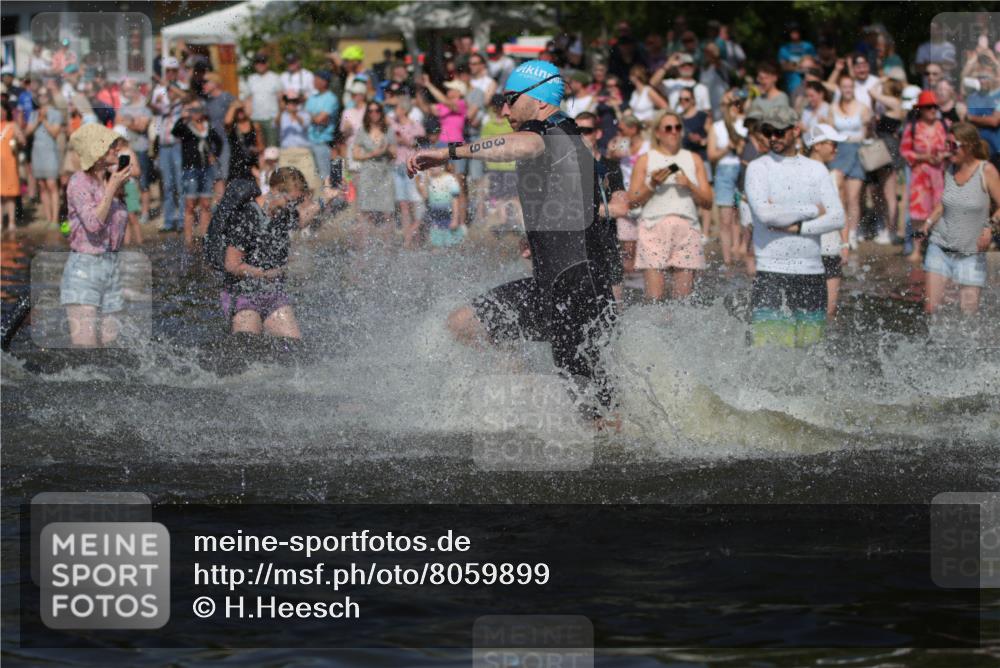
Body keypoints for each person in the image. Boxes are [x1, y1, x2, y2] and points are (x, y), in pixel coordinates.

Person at [407, 60, 619, 423]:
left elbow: (523, 146)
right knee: (464, 324)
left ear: (538, 100)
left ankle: (623, 457)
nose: (503, 109)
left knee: (594, 411)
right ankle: (524, 396)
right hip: (552, 286)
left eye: (510, 99)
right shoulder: (561, 135)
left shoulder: (553, 130)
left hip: (578, 291)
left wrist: (447, 152)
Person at [744, 106, 844, 347]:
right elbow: (766, 215)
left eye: (778, 132)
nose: (773, 138)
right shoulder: (758, 168)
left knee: (810, 355)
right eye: (768, 132)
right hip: (772, 271)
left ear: (795, 130)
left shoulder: (815, 169)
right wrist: (811, 210)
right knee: (768, 353)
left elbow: (838, 218)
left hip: (812, 273)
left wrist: (799, 229)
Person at [221, 167, 320, 339]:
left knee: (294, 345)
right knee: (247, 346)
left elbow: (301, 219)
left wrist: (327, 198)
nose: (294, 207)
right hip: (243, 295)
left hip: (272, 293)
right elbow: (231, 264)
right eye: (292, 202)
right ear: (276, 191)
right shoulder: (247, 215)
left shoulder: (281, 212)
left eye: (297, 202)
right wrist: (264, 273)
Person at [627, 110, 712, 301]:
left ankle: (680, 331)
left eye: (677, 127)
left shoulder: (694, 158)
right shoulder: (646, 159)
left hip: (687, 228)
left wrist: (690, 185)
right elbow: (632, 201)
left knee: (683, 300)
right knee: (655, 298)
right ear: (658, 132)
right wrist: (652, 185)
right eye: (668, 128)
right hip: (653, 227)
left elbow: (708, 202)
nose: (673, 132)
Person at [60, 123, 130, 347]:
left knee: (111, 351)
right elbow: (92, 224)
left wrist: (114, 185)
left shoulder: (111, 179)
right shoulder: (79, 182)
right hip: (84, 270)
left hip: (112, 268)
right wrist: (111, 189)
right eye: (110, 146)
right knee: (87, 352)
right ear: (96, 151)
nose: (116, 150)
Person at [919, 122, 1000, 315]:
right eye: (947, 144)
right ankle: (934, 345)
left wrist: (989, 228)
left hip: (971, 253)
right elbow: (946, 201)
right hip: (940, 246)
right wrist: (928, 223)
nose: (949, 150)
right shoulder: (950, 168)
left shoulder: (985, 171)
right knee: (930, 309)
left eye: (953, 145)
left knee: (968, 314)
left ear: (969, 146)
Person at [576, 110, 628, 301]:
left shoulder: (611, 166)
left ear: (598, 133)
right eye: (576, 130)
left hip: (606, 245)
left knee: (616, 308)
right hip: (576, 247)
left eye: (586, 130)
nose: (580, 135)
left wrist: (580, 210)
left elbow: (621, 208)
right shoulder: (566, 167)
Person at [804, 123, 849, 318]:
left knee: (829, 311)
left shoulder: (836, 176)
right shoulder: (799, 174)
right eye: (833, 144)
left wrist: (845, 244)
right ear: (817, 145)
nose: (836, 149)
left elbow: (842, 212)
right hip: (805, 249)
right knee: (806, 308)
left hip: (830, 249)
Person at [900, 90, 948, 263]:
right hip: (920, 175)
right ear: (920, 109)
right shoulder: (912, 127)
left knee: (940, 210)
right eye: (928, 107)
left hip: (939, 174)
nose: (932, 110)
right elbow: (905, 151)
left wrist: (944, 155)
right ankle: (917, 249)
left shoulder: (944, 125)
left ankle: (937, 247)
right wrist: (923, 157)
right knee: (918, 214)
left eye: (934, 107)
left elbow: (953, 148)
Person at [825, 75, 870, 250]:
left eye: (850, 86)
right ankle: (839, 232)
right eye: (844, 87)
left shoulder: (863, 108)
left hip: (857, 152)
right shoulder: (833, 108)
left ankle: (852, 233)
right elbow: (830, 132)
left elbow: (865, 134)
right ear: (840, 89)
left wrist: (853, 137)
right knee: (838, 196)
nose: (848, 90)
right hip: (839, 152)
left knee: (853, 198)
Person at [172, 100, 223, 246]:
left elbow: (218, 142)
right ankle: (188, 239)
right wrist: (183, 117)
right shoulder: (186, 127)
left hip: (206, 169)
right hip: (191, 169)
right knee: (190, 204)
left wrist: (214, 155)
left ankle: (204, 237)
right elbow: (175, 132)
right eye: (193, 110)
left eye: (198, 109)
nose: (196, 113)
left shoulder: (208, 127)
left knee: (206, 204)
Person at [707, 89, 748, 266]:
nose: (731, 108)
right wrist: (726, 148)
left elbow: (744, 150)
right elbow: (711, 155)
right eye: (727, 105)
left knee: (739, 215)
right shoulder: (716, 127)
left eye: (734, 104)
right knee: (725, 218)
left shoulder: (743, 125)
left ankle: (738, 250)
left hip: (741, 170)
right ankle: (727, 259)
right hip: (724, 171)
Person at [868, 77, 906, 244]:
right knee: (881, 191)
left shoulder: (895, 102)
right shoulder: (890, 105)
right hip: (882, 147)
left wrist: (880, 80)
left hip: (888, 148)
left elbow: (871, 92)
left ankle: (891, 231)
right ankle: (885, 227)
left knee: (889, 193)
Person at [151, 58, 185, 232]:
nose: (170, 74)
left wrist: (170, 87)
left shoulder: (181, 87)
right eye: (168, 71)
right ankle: (169, 220)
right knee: (168, 184)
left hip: (179, 143)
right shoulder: (158, 89)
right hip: (164, 143)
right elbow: (153, 106)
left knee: (180, 183)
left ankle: (182, 220)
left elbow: (186, 98)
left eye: (173, 70)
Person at [352, 101, 397, 229]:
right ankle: (365, 246)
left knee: (387, 212)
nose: (374, 113)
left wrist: (386, 150)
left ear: (381, 112)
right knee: (366, 211)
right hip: (368, 172)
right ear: (367, 113)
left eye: (377, 110)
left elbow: (395, 155)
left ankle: (388, 247)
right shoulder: (362, 131)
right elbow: (355, 155)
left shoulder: (388, 131)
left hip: (384, 173)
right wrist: (372, 154)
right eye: (370, 111)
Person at [389, 95, 425, 248]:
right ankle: (407, 239)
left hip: (411, 166)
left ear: (403, 110)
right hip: (397, 166)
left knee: (413, 202)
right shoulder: (393, 126)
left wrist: (406, 141)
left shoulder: (416, 126)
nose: (395, 111)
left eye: (397, 107)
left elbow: (421, 144)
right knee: (403, 204)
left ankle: (415, 235)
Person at [26, 87, 63, 226]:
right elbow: (27, 132)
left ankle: (55, 219)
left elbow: (55, 133)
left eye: (44, 95)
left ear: (49, 96)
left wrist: (44, 120)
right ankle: (48, 218)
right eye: (40, 95)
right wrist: (37, 120)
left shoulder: (56, 114)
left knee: (52, 184)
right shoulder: (33, 114)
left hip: (50, 151)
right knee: (42, 185)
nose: (42, 97)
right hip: (37, 152)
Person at [117, 80, 152, 224]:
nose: (126, 92)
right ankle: (130, 210)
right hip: (125, 149)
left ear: (136, 89)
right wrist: (133, 122)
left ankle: (145, 212)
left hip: (141, 148)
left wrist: (128, 122)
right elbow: (117, 123)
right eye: (124, 90)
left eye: (128, 89)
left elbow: (142, 127)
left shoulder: (145, 108)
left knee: (143, 182)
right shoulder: (123, 108)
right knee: (126, 180)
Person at [275, 89, 319, 192]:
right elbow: (276, 124)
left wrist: (294, 113)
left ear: (298, 102)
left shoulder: (305, 114)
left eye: (294, 101)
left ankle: (309, 206)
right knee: (285, 184)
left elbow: (304, 124)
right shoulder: (281, 115)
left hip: (303, 152)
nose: (292, 104)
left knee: (309, 183)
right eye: (289, 102)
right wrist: (281, 110)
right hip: (286, 153)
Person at [202, 72, 236, 201]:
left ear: (214, 83)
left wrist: (229, 116)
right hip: (212, 143)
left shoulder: (225, 97)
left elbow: (240, 104)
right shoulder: (206, 100)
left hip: (225, 141)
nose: (203, 85)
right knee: (216, 176)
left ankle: (225, 204)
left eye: (206, 82)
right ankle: (220, 205)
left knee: (224, 175)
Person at [417, 164, 463, 248]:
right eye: (430, 165)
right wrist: (426, 181)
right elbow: (425, 196)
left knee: (451, 245)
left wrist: (455, 219)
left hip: (449, 217)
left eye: (434, 164)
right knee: (436, 246)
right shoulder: (430, 180)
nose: (431, 167)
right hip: (435, 218)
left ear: (443, 166)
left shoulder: (450, 179)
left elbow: (455, 200)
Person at [305, 70, 339, 182]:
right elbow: (308, 117)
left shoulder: (331, 98)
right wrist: (314, 117)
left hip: (323, 142)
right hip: (309, 141)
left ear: (325, 82)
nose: (313, 81)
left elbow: (321, 119)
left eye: (316, 79)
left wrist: (310, 116)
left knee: (325, 176)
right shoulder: (312, 97)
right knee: (311, 177)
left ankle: (328, 198)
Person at [246, 53, 283, 147]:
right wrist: (249, 116)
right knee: (259, 148)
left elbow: (281, 99)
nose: (260, 65)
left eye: (262, 62)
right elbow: (249, 98)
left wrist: (279, 116)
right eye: (257, 62)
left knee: (272, 148)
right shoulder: (251, 79)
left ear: (267, 63)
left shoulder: (275, 78)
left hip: (271, 118)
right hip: (256, 118)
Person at [225, 98, 263, 183]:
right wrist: (235, 106)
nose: (240, 112)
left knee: (254, 191)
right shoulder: (232, 127)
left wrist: (255, 150)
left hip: (252, 163)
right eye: (238, 111)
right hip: (236, 164)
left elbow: (261, 146)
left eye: (242, 110)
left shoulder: (255, 125)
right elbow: (227, 122)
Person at [1, 103, 24, 232]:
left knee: (9, 194)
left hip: (9, 163)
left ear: (5, 112)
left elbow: (22, 140)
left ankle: (11, 222)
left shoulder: (12, 125)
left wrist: (18, 139)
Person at [779, 21, 817, 93]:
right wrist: (802, 65)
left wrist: (792, 65)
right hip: (792, 87)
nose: (794, 33)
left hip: (811, 85)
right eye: (792, 31)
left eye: (796, 31)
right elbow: (783, 66)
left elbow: (815, 65)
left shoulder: (808, 46)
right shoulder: (784, 48)